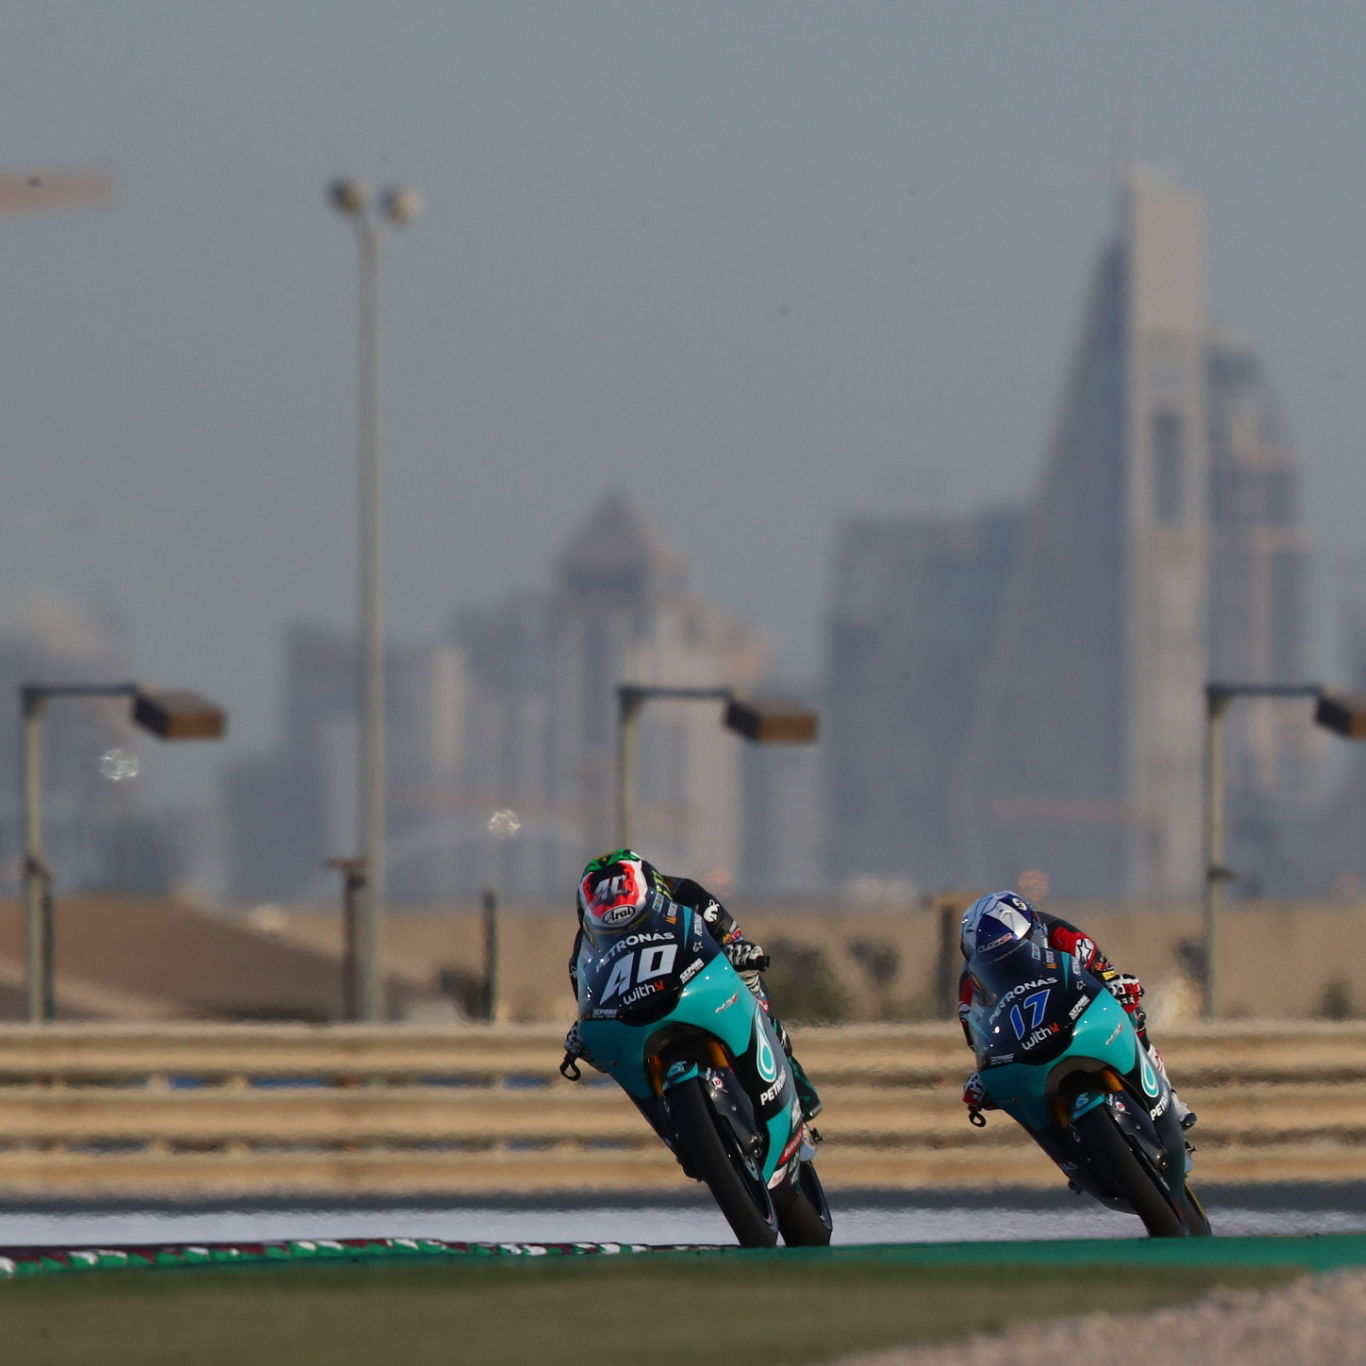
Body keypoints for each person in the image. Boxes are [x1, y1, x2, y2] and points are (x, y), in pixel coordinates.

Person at [561, 848, 823, 1123]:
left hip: (697, 985)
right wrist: (584, 1036)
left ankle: (790, 1070)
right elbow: (588, 1003)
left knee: (749, 979)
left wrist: (738, 953)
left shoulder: (687, 893)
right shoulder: (584, 950)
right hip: (637, 1017)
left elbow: (730, 935)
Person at [957, 889, 1195, 1130]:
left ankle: (1168, 1097)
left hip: (1077, 1012)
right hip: (1024, 1045)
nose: (1008, 962)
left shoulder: (1062, 934)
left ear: (1035, 931)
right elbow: (979, 1041)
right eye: (994, 958)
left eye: (1014, 949)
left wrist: (1120, 989)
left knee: (1131, 1012)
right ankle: (1057, 1139)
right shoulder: (971, 984)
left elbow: (1105, 975)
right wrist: (983, 1074)